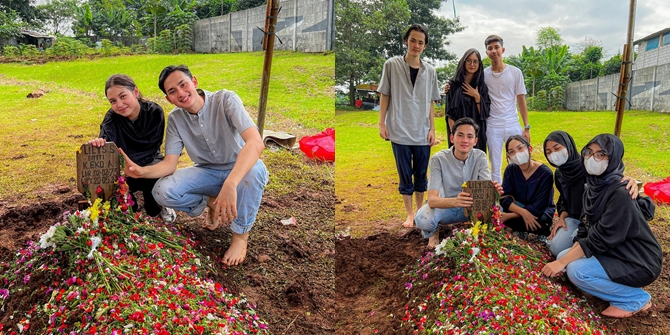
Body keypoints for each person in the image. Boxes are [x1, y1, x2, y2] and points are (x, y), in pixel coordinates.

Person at [119, 65, 269, 266]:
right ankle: (212, 204)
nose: (180, 93)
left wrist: (231, 184)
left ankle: (240, 237)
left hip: (240, 168)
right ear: (169, 99)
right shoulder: (175, 119)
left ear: (194, 82)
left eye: (183, 84)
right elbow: (170, 164)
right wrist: (141, 171)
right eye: (172, 91)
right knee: (162, 191)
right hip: (207, 171)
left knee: (255, 171)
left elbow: (255, 142)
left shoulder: (225, 99)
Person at [542, 134, 662, 318]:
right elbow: (585, 226)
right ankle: (618, 286)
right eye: (589, 153)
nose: (592, 159)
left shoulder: (620, 193)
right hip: (613, 249)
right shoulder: (592, 186)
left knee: (575, 270)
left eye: (600, 154)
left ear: (612, 158)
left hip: (636, 259)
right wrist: (565, 257)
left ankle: (636, 299)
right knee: (564, 254)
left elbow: (598, 238)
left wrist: (561, 263)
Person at [88, 74, 175, 223]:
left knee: (153, 188)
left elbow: (153, 146)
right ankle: (130, 207)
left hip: (150, 161)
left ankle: (159, 206)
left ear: (135, 92)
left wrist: (137, 168)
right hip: (125, 167)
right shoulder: (111, 119)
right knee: (115, 186)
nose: (119, 104)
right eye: (113, 101)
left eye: (123, 96)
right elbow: (107, 147)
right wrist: (99, 143)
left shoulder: (154, 112)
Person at [378, 24, 441, 229]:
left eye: (420, 42)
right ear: (406, 41)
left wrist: (432, 129)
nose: (416, 45)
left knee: (421, 174)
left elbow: (431, 102)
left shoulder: (430, 71)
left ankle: (421, 210)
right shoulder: (392, 65)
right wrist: (382, 123)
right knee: (405, 174)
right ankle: (409, 214)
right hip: (398, 130)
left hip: (422, 132)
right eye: (413, 40)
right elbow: (385, 94)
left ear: (425, 46)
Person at [544, 131, 639, 256]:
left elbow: (609, 179)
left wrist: (630, 180)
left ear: (569, 146)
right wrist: (561, 218)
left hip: (595, 221)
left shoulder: (588, 168)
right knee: (556, 247)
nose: (554, 155)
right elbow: (564, 200)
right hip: (574, 218)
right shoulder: (560, 174)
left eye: (557, 148)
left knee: (567, 253)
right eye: (548, 152)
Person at [415, 118, 502, 248]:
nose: (465, 140)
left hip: (470, 206)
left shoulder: (480, 157)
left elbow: (485, 191)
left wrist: (492, 191)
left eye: (469, 136)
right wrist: (456, 201)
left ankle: (477, 230)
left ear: (475, 141)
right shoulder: (439, 159)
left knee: (499, 210)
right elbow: (432, 200)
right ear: (452, 138)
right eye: (460, 135)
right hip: (445, 207)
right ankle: (433, 233)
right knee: (423, 219)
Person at [499, 135, 555, 237]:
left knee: (541, 220)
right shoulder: (511, 170)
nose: (517, 153)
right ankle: (524, 227)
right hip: (518, 206)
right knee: (497, 210)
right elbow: (504, 198)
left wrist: (509, 216)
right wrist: (523, 212)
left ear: (529, 149)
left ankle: (516, 225)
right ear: (508, 157)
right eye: (511, 151)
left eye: (520, 148)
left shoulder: (545, 174)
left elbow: (539, 205)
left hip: (538, 211)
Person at [445, 48, 490, 152]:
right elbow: (449, 114)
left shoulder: (482, 87)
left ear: (479, 64)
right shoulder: (453, 85)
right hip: (458, 133)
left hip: (477, 132)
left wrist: (477, 96)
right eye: (469, 60)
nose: (472, 64)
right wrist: (454, 133)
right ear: (463, 62)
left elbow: (485, 113)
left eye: (475, 61)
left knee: (477, 162)